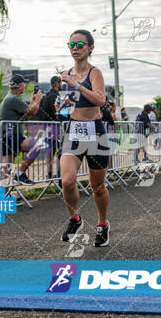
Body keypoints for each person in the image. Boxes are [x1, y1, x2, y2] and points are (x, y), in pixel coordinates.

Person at [58, 29, 111, 247]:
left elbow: (100, 100)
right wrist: (60, 106)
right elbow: (66, 108)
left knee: (97, 186)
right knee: (67, 181)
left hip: (95, 132)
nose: (75, 49)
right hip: (74, 130)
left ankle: (102, 224)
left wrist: (76, 85)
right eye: (71, 45)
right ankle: (75, 219)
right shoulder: (67, 74)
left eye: (80, 45)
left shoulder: (94, 73)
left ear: (90, 48)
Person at [0, 74, 43, 185]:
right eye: (24, 84)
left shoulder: (13, 98)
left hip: (9, 135)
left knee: (7, 166)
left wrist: (32, 101)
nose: (25, 86)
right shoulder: (12, 99)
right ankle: (20, 174)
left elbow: (27, 116)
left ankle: (4, 195)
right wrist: (37, 100)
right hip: (10, 135)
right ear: (20, 86)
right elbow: (31, 112)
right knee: (36, 146)